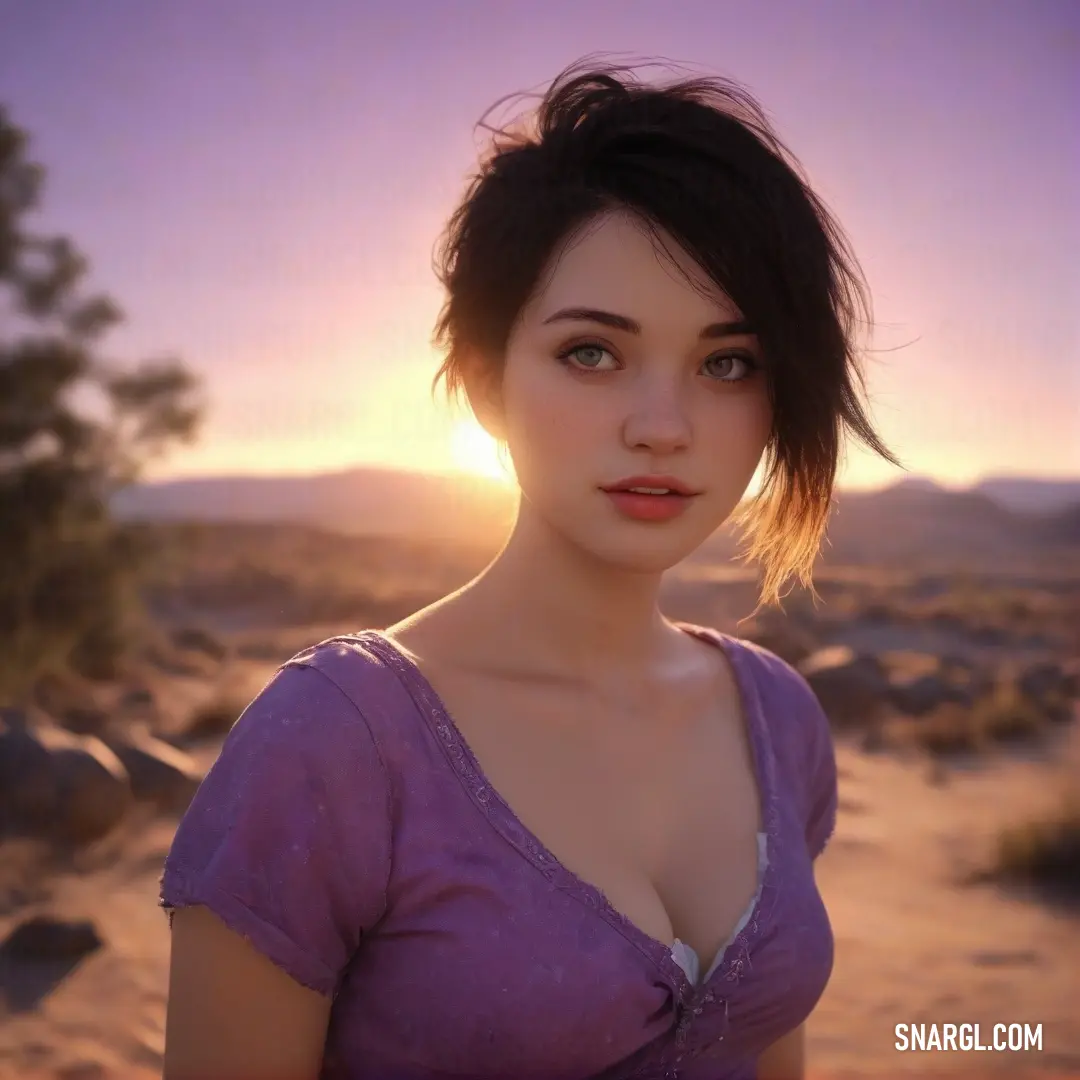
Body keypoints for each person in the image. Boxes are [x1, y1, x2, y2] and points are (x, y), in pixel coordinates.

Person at [160, 57, 899, 1080]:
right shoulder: (333, 743)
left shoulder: (777, 718)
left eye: (729, 363)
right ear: (484, 379)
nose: (663, 426)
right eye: (592, 352)